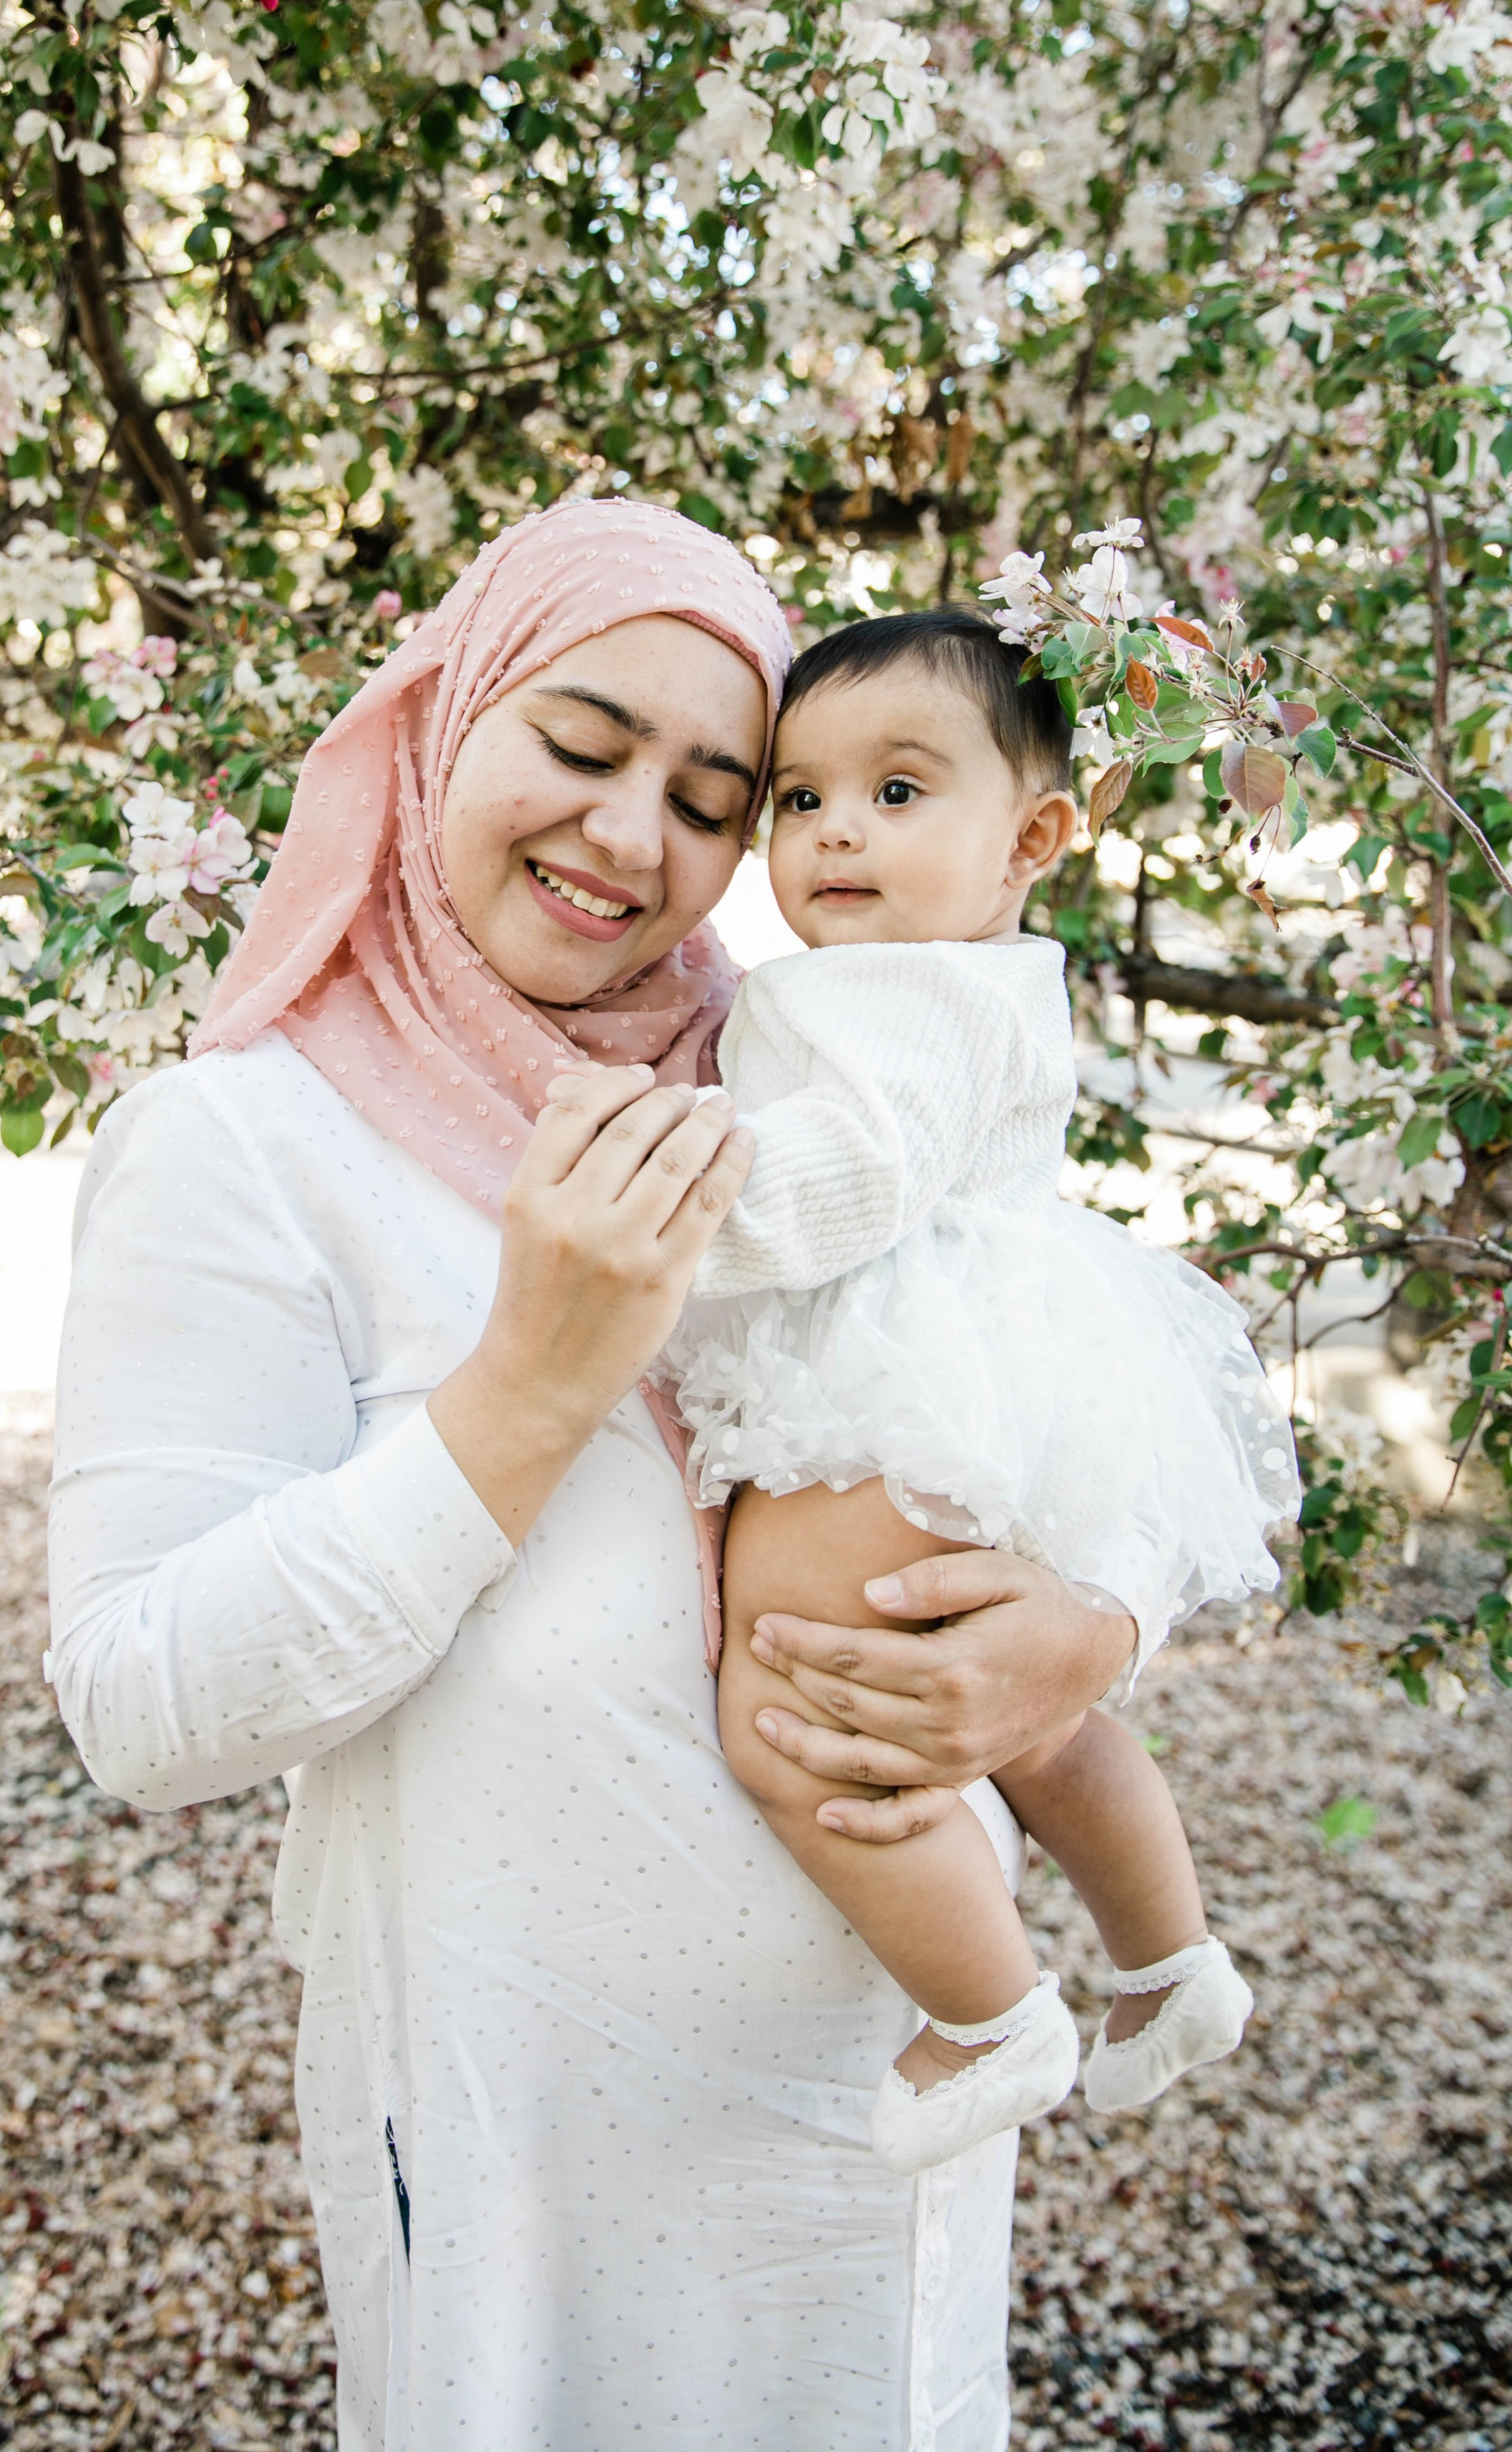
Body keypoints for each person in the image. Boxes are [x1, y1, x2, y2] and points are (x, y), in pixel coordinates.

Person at [47, 500, 1152, 2452]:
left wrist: (1088, 1633)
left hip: (893, 2125)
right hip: (546, 2169)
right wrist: (527, 1390)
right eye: (577, 744)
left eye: (714, 800)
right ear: (444, 716)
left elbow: (1044, 1352)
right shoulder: (244, 1147)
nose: (634, 840)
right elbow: (144, 1709)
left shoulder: (806, 1081)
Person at [660, 609, 1297, 2181]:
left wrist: (672, 1217)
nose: (833, 832)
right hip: (993, 1379)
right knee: (1042, 1728)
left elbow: (851, 1171)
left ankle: (987, 2014)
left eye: (895, 791)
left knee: (794, 1718)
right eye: (798, 798)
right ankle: (1169, 1962)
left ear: (1033, 837)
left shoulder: (906, 992)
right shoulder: (977, 977)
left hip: (888, 1386)